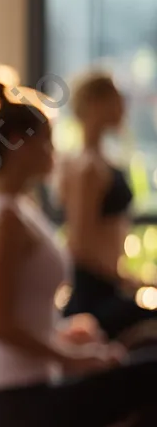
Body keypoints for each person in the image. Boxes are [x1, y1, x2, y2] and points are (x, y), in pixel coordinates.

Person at [0, 82, 157, 427]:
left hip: (28, 393)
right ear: (19, 143)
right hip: (10, 405)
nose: (54, 150)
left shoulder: (21, 211)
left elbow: (24, 318)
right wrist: (73, 359)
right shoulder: (4, 218)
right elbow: (1, 326)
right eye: (47, 140)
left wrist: (65, 335)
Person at [57, 70, 157, 345]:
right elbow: (78, 243)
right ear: (95, 104)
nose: (122, 105)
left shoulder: (103, 161)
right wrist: (130, 280)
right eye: (115, 98)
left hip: (110, 287)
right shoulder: (86, 168)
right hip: (94, 293)